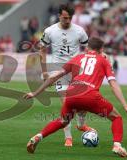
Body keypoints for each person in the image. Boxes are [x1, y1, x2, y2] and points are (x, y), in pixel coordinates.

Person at [24, 37, 127, 157]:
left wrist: (35, 93)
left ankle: (38, 137)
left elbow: (54, 76)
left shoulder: (77, 58)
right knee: (116, 117)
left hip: (71, 95)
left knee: (63, 121)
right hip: (90, 95)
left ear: (87, 48)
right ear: (101, 49)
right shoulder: (103, 60)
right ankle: (117, 146)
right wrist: (125, 106)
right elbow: (113, 83)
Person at [40, 3, 94, 147]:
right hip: (59, 71)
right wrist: (44, 71)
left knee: (83, 103)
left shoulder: (80, 31)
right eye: (64, 18)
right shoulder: (50, 31)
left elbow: (88, 48)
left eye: (69, 18)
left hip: (77, 71)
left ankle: (81, 125)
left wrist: (99, 56)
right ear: (59, 16)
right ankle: (68, 137)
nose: (67, 20)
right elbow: (42, 50)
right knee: (66, 103)